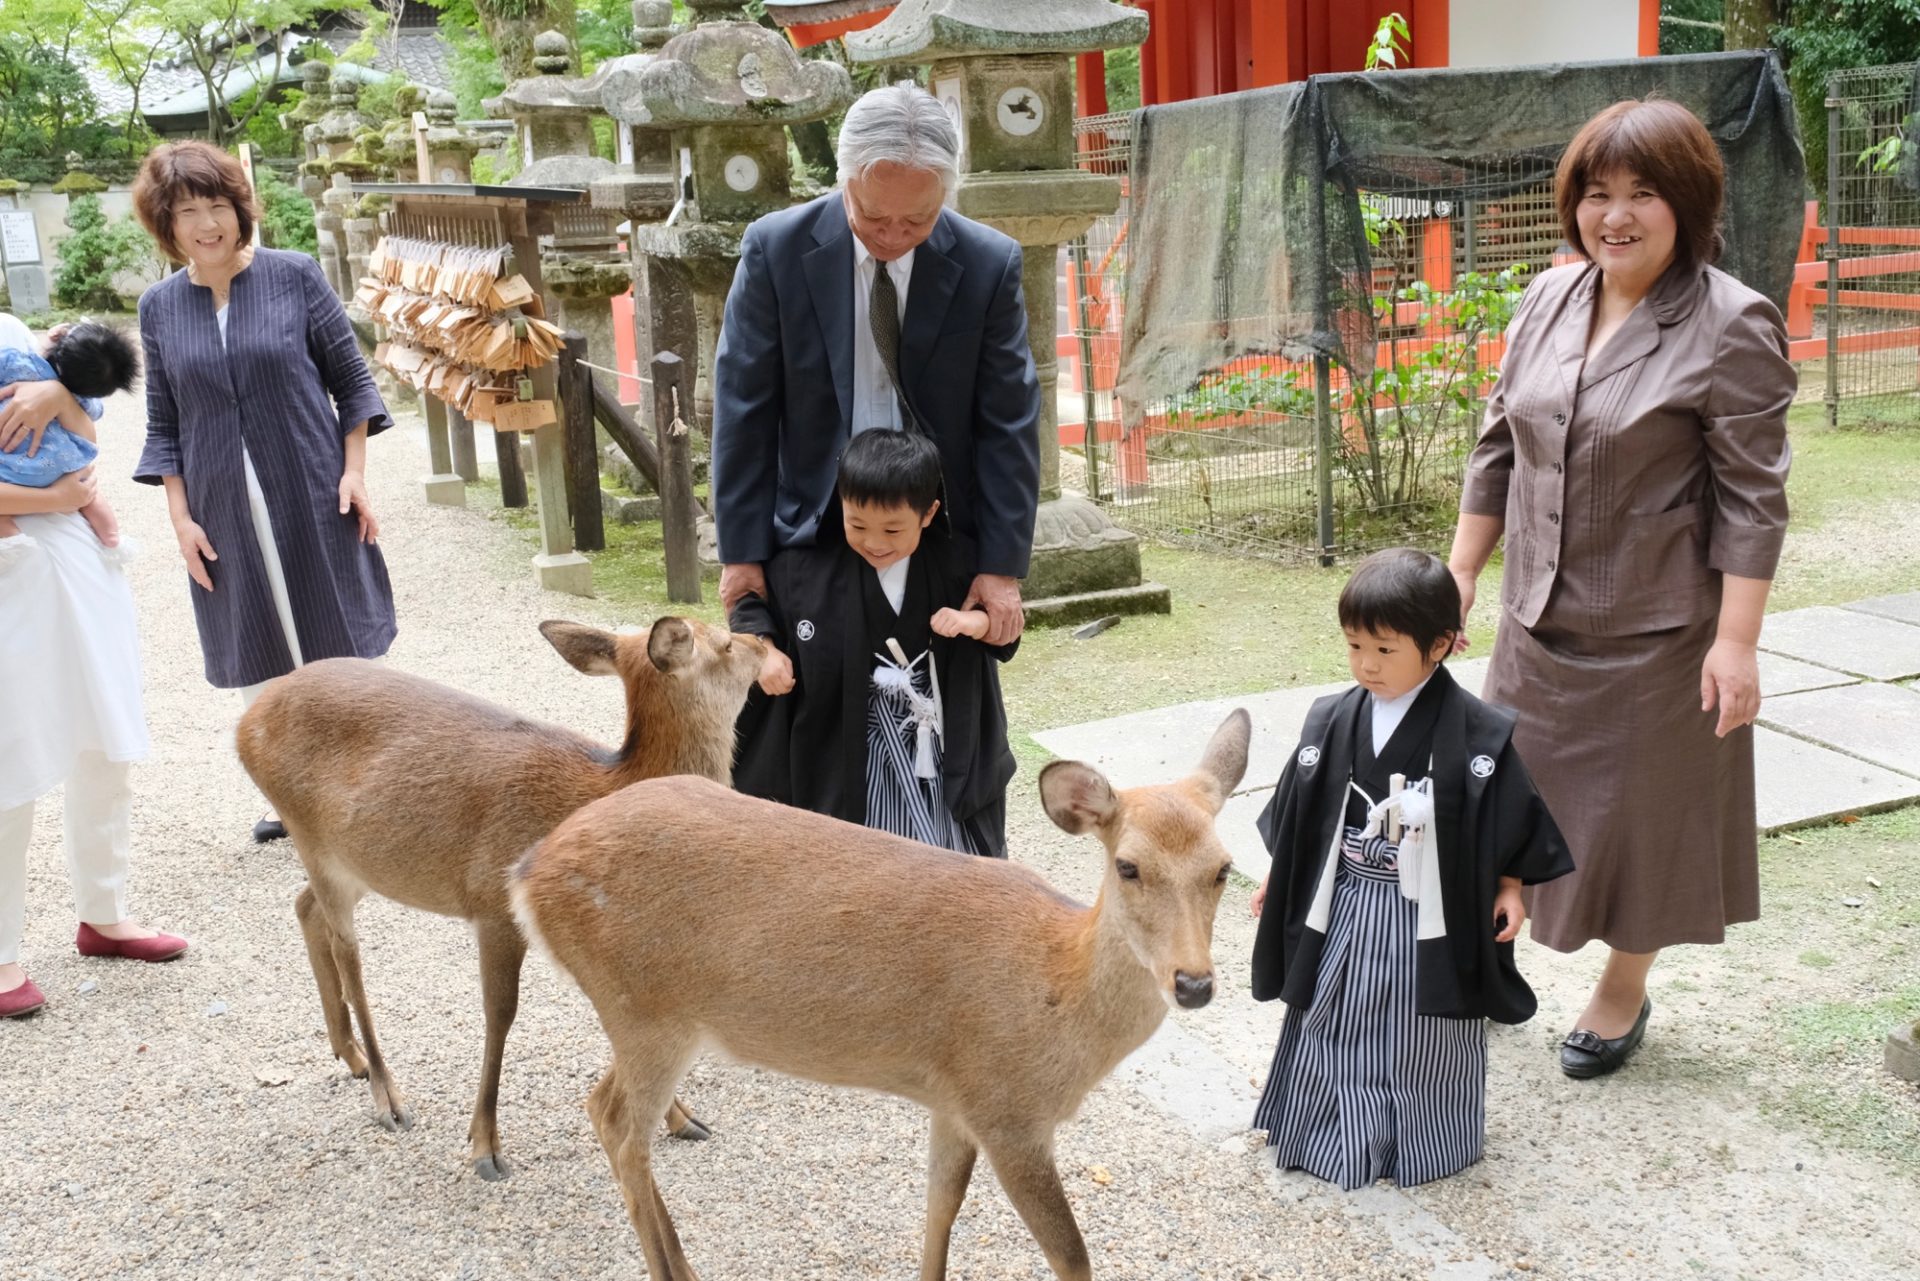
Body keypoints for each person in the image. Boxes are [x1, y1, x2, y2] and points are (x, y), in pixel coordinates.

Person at [1446, 98, 1794, 1077]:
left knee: (1647, 823)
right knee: (1500, 807)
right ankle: (1484, 960)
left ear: (1686, 202)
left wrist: (1737, 641)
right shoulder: (1546, 299)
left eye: (1643, 193)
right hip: (1534, 624)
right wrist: (1462, 570)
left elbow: (1753, 500)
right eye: (1598, 193)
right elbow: (1496, 447)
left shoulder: (1732, 323)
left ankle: (1621, 991)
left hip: (1659, 635)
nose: (1617, 215)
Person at [1248, 548, 1573, 1189]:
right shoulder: (1334, 717)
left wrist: (1511, 885)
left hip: (1427, 914)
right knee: (1330, 1013)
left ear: (1443, 646)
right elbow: (1304, 815)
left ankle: (1420, 1142)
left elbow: (1507, 818)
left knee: (1420, 1031)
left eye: (1386, 650)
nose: (1367, 665)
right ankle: (1320, 1130)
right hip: (1342, 902)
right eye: (1354, 646)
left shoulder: (1477, 734)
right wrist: (1282, 874)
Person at [710, 82, 1041, 649]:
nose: (892, 236)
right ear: (844, 182)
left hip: (935, 524)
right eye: (872, 214)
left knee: (941, 715)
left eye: (917, 220)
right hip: (815, 520)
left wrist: (1002, 565)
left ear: (946, 194)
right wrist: (741, 554)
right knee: (813, 713)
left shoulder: (989, 264)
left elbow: (1008, 421)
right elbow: (745, 408)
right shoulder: (776, 251)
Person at [129, 140, 395, 844]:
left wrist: (354, 471)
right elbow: (164, 424)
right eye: (187, 211)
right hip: (220, 505)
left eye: (217, 205)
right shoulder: (158, 307)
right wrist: (180, 519)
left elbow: (354, 384)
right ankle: (289, 795)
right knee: (257, 637)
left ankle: (362, 790)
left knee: (332, 633)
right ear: (167, 223)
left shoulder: (294, 275)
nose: (206, 223)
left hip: (310, 489)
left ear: (239, 208)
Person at [0, 313, 187, 1021]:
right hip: (14, 553)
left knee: (104, 736)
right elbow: (68, 473)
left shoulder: (14, 328)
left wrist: (57, 398)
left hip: (76, 554)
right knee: (10, 752)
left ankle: (105, 912)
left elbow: (85, 429)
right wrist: (56, 498)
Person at [728, 428, 1017, 857]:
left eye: (893, 529)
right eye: (857, 524)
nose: (875, 543)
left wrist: (972, 623)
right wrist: (765, 653)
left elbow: (1000, 630)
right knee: (856, 859)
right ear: (840, 504)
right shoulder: (803, 568)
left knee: (948, 865)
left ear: (929, 513)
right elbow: (752, 607)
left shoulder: (959, 563)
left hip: (934, 748)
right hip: (848, 753)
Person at [0, 320, 140, 560]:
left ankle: (11, 539)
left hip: (11, 467)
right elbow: (89, 438)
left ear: (56, 337)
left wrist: (57, 394)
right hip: (59, 469)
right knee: (89, 492)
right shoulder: (83, 398)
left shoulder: (17, 358)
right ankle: (112, 537)